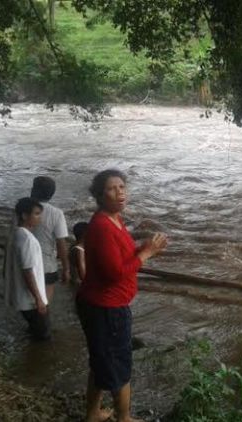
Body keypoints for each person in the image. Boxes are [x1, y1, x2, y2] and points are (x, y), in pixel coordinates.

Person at [76, 169, 167, 422]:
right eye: (112, 188)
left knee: (102, 361)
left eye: (122, 186)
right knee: (118, 364)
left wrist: (144, 248)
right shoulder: (103, 226)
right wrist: (145, 255)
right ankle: (123, 418)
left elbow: (121, 255)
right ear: (99, 195)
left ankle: (93, 413)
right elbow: (114, 273)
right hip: (106, 307)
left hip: (102, 304)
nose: (120, 192)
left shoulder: (115, 219)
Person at [4, 197, 50, 341]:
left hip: (23, 299)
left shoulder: (16, 234)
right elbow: (28, 271)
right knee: (43, 336)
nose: (39, 218)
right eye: (36, 214)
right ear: (24, 216)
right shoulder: (27, 239)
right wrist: (38, 299)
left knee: (34, 331)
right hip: (30, 301)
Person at [29, 176, 70, 303]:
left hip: (24, 264)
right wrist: (66, 269)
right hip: (47, 266)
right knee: (44, 303)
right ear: (51, 194)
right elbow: (61, 244)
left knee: (27, 302)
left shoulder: (21, 210)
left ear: (34, 190)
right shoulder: (56, 213)